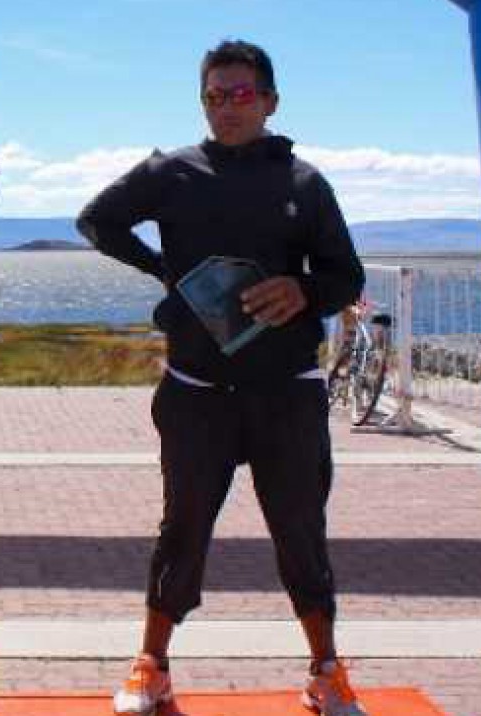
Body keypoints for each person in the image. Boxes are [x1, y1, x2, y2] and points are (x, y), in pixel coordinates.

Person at [76, 41, 367, 716]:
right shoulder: (171, 172)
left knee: (301, 531)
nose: (227, 108)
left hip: (286, 391)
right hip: (196, 393)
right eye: (214, 96)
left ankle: (326, 671)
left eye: (240, 95)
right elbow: (97, 219)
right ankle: (152, 666)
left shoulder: (304, 183)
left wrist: (301, 290)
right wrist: (163, 274)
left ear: (269, 100)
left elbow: (345, 275)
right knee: (182, 529)